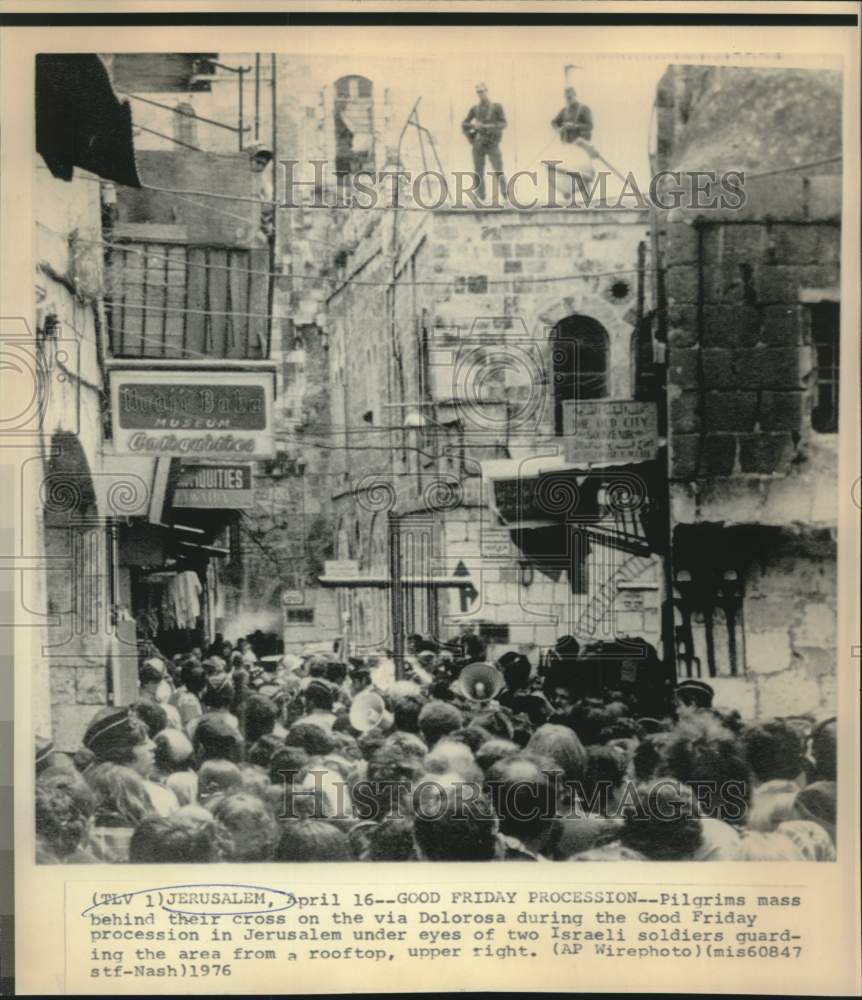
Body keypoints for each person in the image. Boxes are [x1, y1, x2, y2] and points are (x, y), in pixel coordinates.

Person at [461, 83, 506, 202]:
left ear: (487, 91)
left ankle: (506, 195)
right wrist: (472, 130)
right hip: (479, 143)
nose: (481, 94)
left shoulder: (496, 107)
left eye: (482, 91)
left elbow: (503, 124)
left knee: (498, 169)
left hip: (492, 143)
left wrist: (488, 126)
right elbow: (464, 124)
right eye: (478, 92)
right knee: (478, 170)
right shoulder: (474, 109)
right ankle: (481, 197)